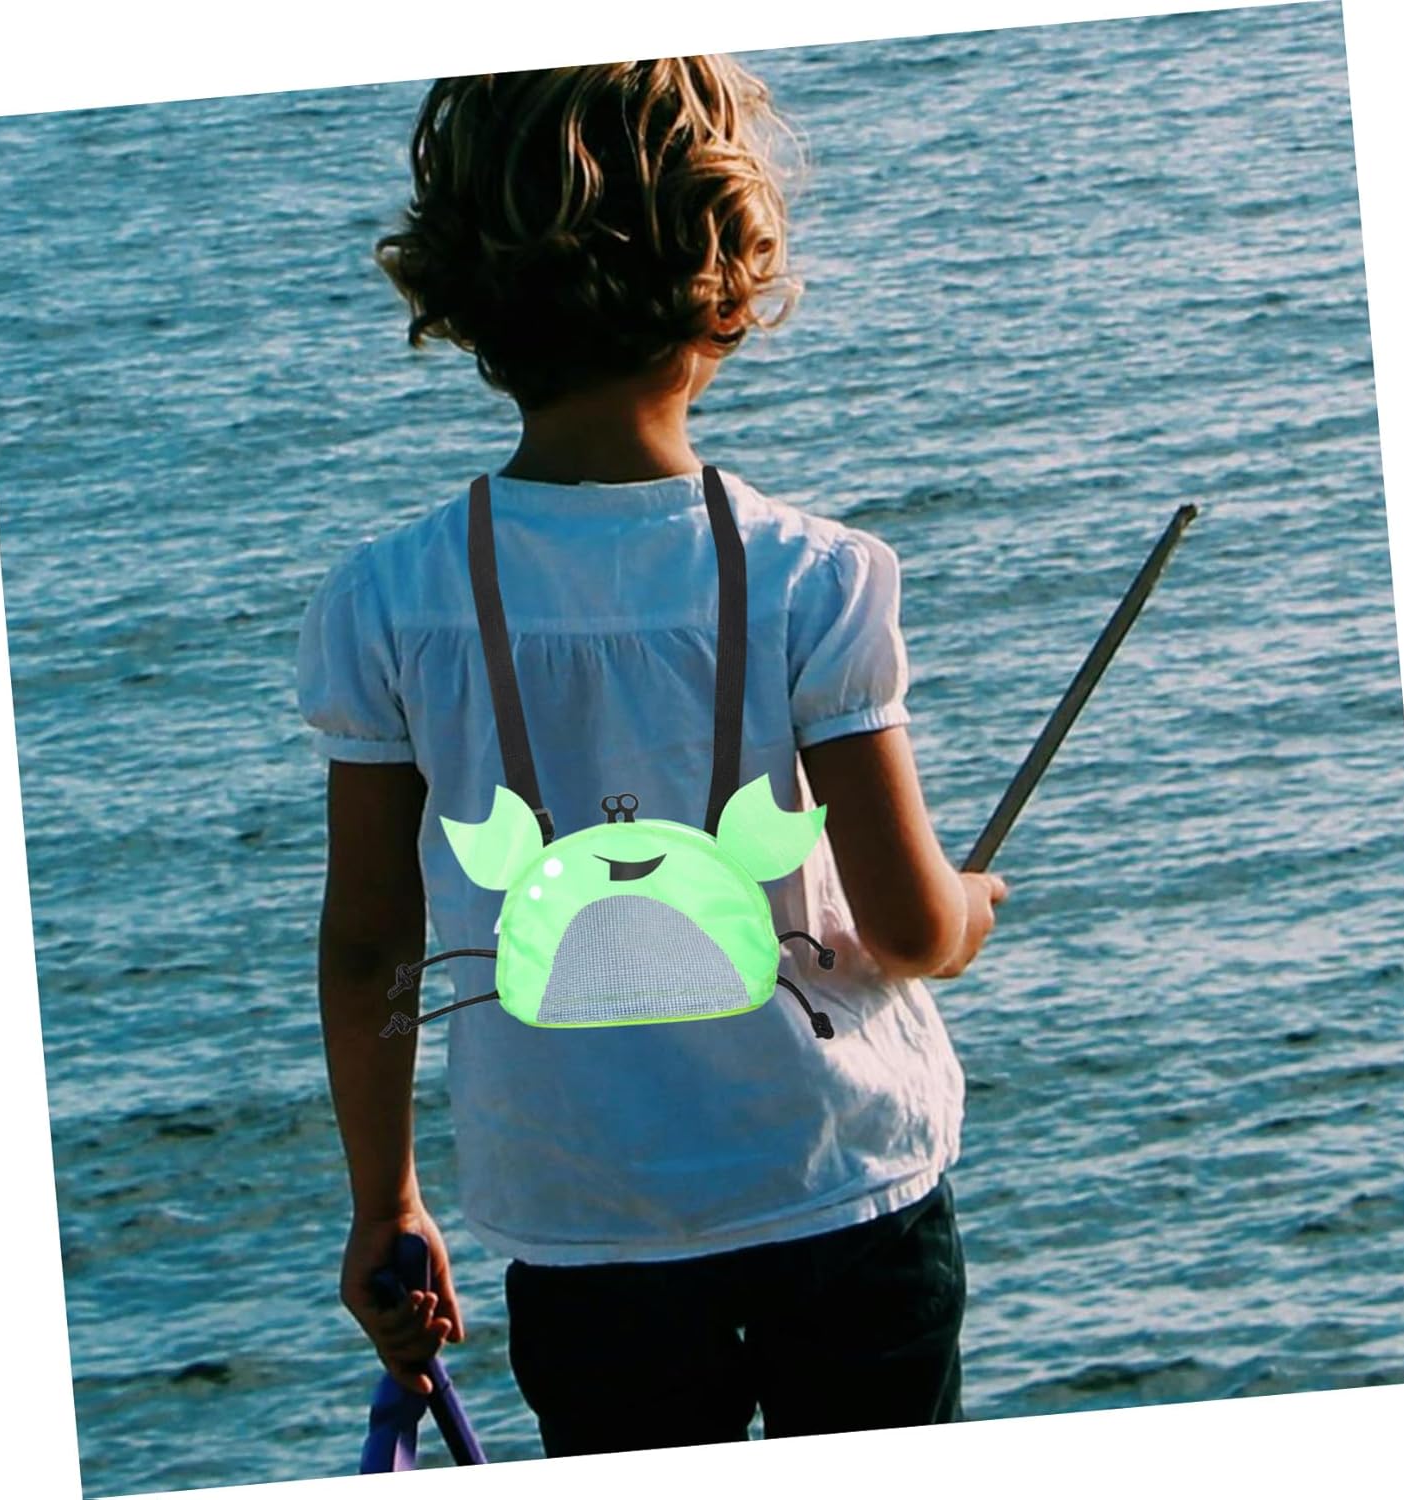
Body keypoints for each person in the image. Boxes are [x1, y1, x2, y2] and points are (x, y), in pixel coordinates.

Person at [297, 57, 1008, 1456]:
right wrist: (972, 908)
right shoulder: (817, 579)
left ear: (463, 296)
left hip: (587, 1226)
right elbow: (911, 930)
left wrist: (386, 1203)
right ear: (728, 282)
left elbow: (370, 946)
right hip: (843, 1189)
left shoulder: (386, 601)